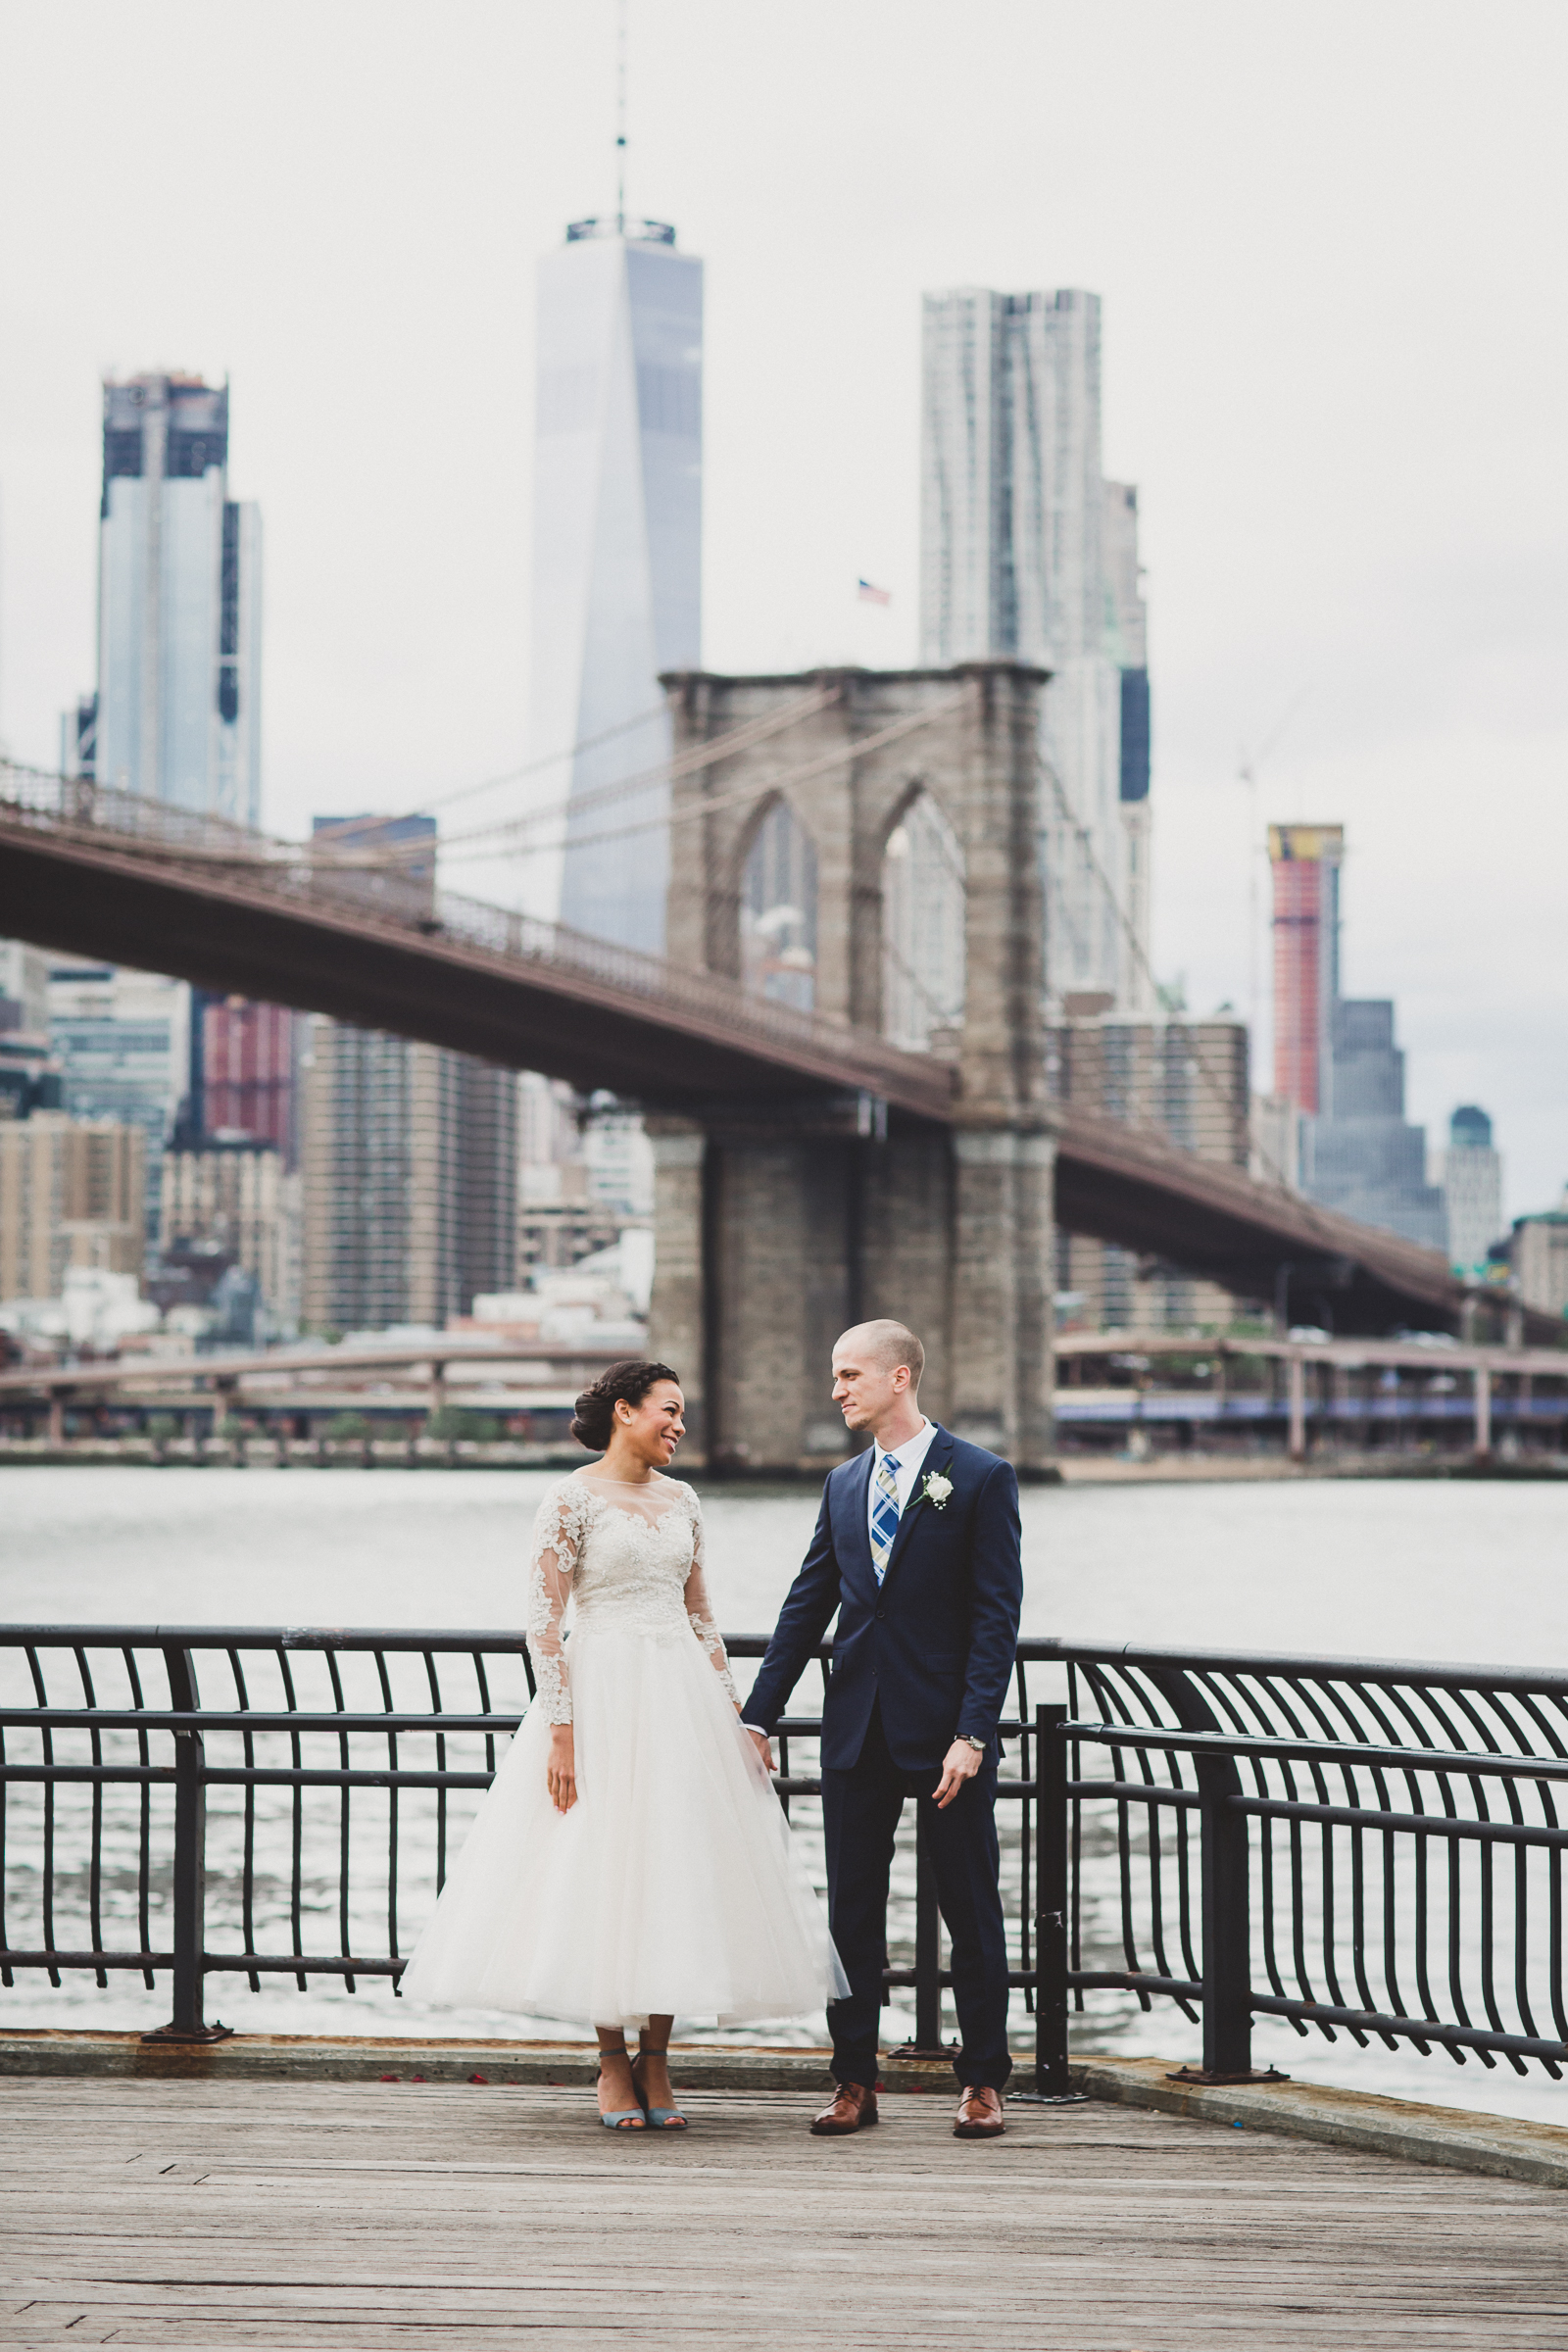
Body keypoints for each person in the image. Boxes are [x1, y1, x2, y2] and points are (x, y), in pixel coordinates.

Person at [400, 1359, 844, 2131]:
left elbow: (702, 1617)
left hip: (682, 1703)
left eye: (683, 1415)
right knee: (601, 1866)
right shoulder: (568, 1498)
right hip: (600, 1697)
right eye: (668, 1411)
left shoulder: (685, 1500)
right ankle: (612, 2060)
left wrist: (736, 1716)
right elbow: (544, 1625)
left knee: (677, 1866)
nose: (679, 1426)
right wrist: (563, 1734)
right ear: (624, 1411)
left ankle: (660, 2057)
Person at [742, 1320, 1023, 2140]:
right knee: (851, 1916)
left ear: (900, 1376)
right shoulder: (841, 1484)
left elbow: (995, 1618)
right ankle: (853, 2081)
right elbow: (806, 1606)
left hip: (946, 1741)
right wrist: (757, 1714)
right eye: (835, 1376)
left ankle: (981, 2083)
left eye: (850, 1374)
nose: (838, 1390)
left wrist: (973, 1732)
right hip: (855, 1730)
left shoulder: (979, 1477)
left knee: (971, 1911)